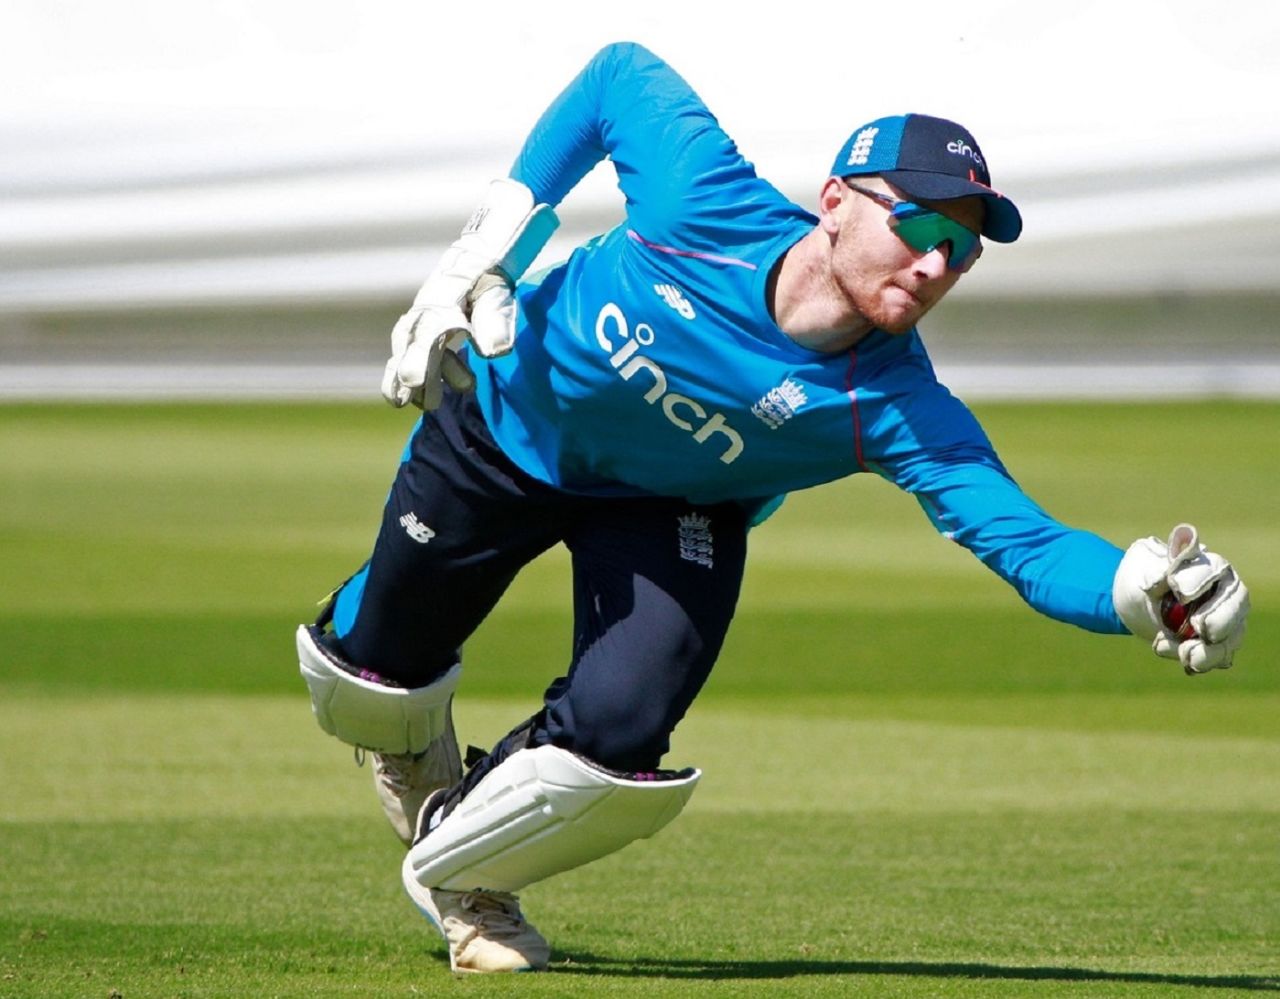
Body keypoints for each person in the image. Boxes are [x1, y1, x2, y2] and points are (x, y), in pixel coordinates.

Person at [295, 42, 1250, 974]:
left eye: (961, 250)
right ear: (834, 203)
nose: (935, 264)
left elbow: (1026, 545)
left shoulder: (896, 403)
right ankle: (406, 735)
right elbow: (617, 74)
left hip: (672, 505)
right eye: (920, 225)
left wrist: (1140, 587)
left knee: (622, 729)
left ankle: (469, 872)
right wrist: (486, 249)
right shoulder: (702, 198)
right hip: (511, 419)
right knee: (369, 679)